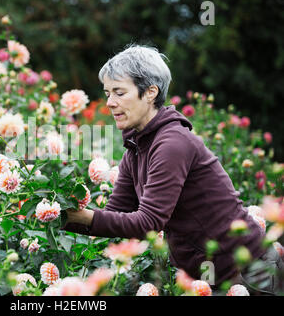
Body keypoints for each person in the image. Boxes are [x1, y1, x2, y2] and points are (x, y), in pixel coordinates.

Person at [64, 44, 282, 294]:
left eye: (119, 93)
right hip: (205, 275)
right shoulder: (136, 148)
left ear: (150, 93)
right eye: (107, 93)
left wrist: (78, 217)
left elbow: (148, 222)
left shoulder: (172, 143)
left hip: (246, 270)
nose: (110, 103)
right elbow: (115, 213)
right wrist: (57, 212)